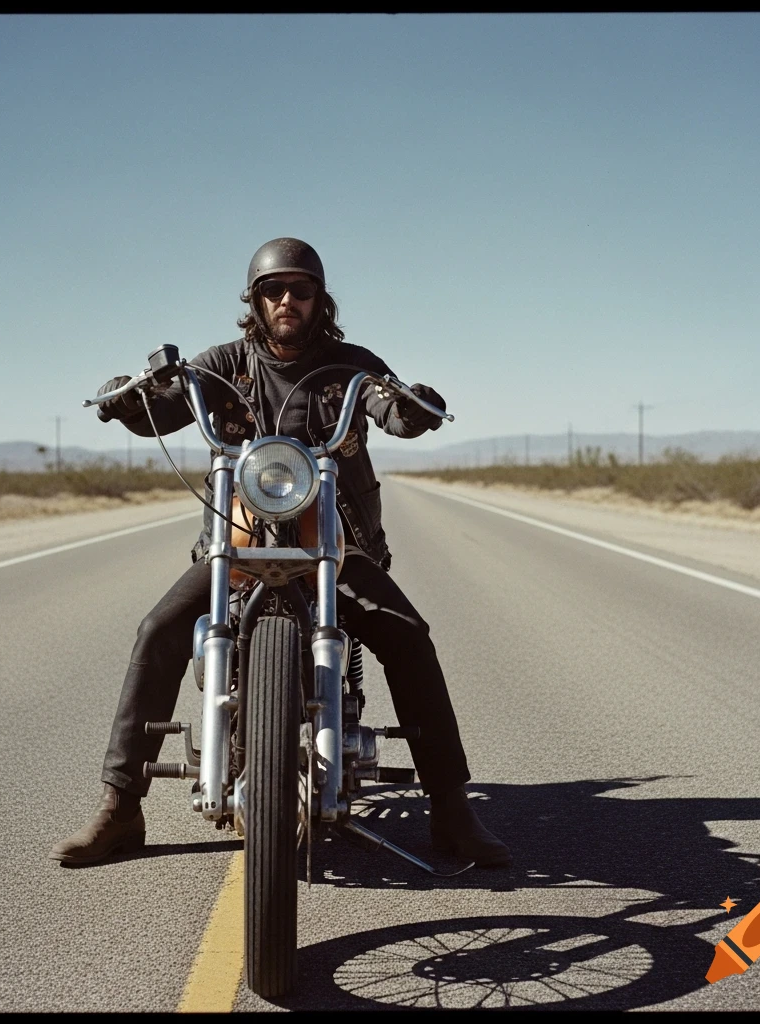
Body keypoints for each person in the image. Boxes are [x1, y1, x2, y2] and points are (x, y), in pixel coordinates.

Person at [49, 238, 510, 868]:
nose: (286, 300)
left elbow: (390, 406)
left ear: (321, 299)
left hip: (337, 547)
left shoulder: (350, 365)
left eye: (300, 289)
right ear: (254, 301)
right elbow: (163, 406)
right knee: (158, 629)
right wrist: (131, 402)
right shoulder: (221, 366)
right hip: (236, 545)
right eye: (273, 290)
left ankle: (453, 810)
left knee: (410, 636)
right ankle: (120, 807)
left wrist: (410, 406)